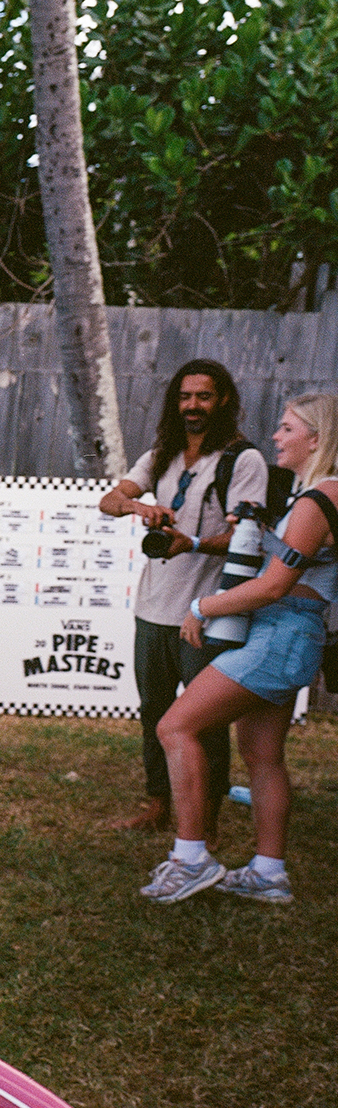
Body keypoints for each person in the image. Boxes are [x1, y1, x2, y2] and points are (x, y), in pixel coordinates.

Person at [141, 391, 338, 905]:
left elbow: (274, 586)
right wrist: (258, 532)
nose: (275, 436)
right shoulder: (318, 497)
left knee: (175, 726)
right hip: (292, 635)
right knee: (263, 756)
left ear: (316, 439)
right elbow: (302, 564)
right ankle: (269, 873)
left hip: (278, 634)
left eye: (287, 428)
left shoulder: (319, 500)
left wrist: (204, 606)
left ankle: (191, 858)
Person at [99, 360, 268, 838]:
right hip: (153, 608)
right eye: (185, 396)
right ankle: (158, 805)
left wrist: (190, 543)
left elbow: (248, 537)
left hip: (207, 613)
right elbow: (109, 500)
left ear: (224, 400)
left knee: (203, 721)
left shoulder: (244, 460)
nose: (193, 406)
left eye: (204, 396)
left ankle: (205, 820)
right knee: (154, 711)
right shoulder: (162, 454)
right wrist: (138, 505)